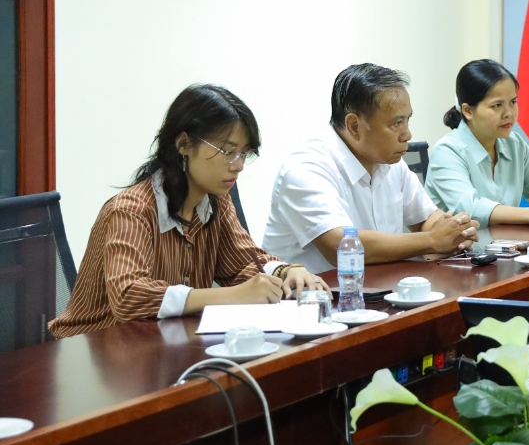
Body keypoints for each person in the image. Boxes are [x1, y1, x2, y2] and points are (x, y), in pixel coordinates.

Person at [50, 85, 326, 338]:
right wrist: (233, 295)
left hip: (159, 343)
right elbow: (129, 297)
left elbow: (243, 264)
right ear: (184, 144)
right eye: (228, 151)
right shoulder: (130, 211)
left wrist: (286, 271)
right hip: (93, 351)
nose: (238, 165)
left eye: (244, 153)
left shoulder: (216, 202)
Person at [263, 63, 477, 272]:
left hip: (378, 291)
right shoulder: (306, 168)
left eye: (407, 120)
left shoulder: (391, 162)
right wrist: (432, 240)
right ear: (354, 126)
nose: (407, 135)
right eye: (396, 123)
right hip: (309, 300)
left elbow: (427, 219)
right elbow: (340, 245)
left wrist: (455, 232)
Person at [426, 59, 529, 227]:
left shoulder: (514, 144)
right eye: (497, 105)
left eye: (513, 102)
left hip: (505, 248)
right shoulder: (447, 151)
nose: (509, 113)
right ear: (467, 111)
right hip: (458, 251)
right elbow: (470, 209)